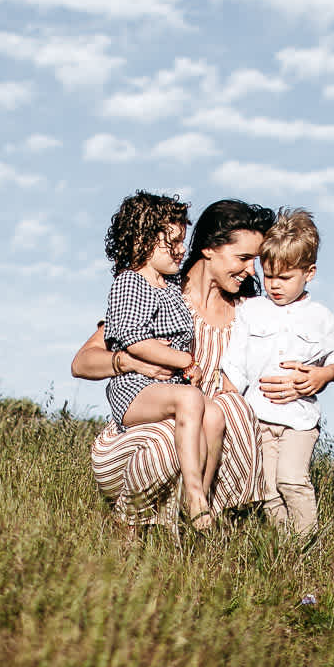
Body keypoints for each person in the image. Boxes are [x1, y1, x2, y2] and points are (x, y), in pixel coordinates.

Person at [74, 200, 334, 534]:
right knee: (177, 431)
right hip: (148, 436)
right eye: (243, 258)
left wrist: (321, 376)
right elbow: (82, 362)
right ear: (210, 248)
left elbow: (324, 351)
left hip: (215, 440)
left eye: (256, 261)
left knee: (229, 407)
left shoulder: (253, 314)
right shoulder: (163, 298)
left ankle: (215, 524)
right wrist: (126, 360)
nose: (252, 271)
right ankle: (128, 527)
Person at [219, 208, 334, 537]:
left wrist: (321, 376)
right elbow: (234, 366)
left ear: (310, 272)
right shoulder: (251, 312)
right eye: (269, 275)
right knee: (270, 492)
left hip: (299, 421)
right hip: (258, 420)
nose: (274, 285)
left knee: (291, 480)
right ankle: (285, 551)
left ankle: (307, 545)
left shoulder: (319, 316)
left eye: (285, 278)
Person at [98, 191, 218, 524]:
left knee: (215, 418)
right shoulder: (130, 283)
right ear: (144, 241)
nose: (182, 249)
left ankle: (197, 497)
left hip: (165, 386)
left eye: (183, 241)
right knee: (191, 400)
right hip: (135, 389)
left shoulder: (169, 286)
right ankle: (194, 495)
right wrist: (185, 362)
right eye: (173, 242)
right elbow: (134, 340)